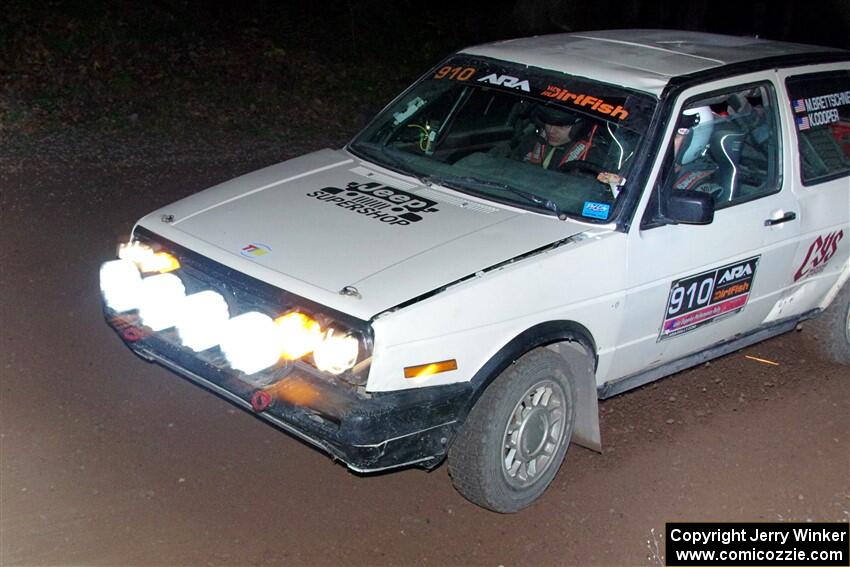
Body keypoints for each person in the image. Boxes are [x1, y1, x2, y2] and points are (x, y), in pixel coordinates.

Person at [514, 106, 603, 170]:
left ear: (579, 128)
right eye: (548, 123)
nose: (551, 131)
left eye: (561, 126)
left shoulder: (593, 156)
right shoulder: (533, 139)